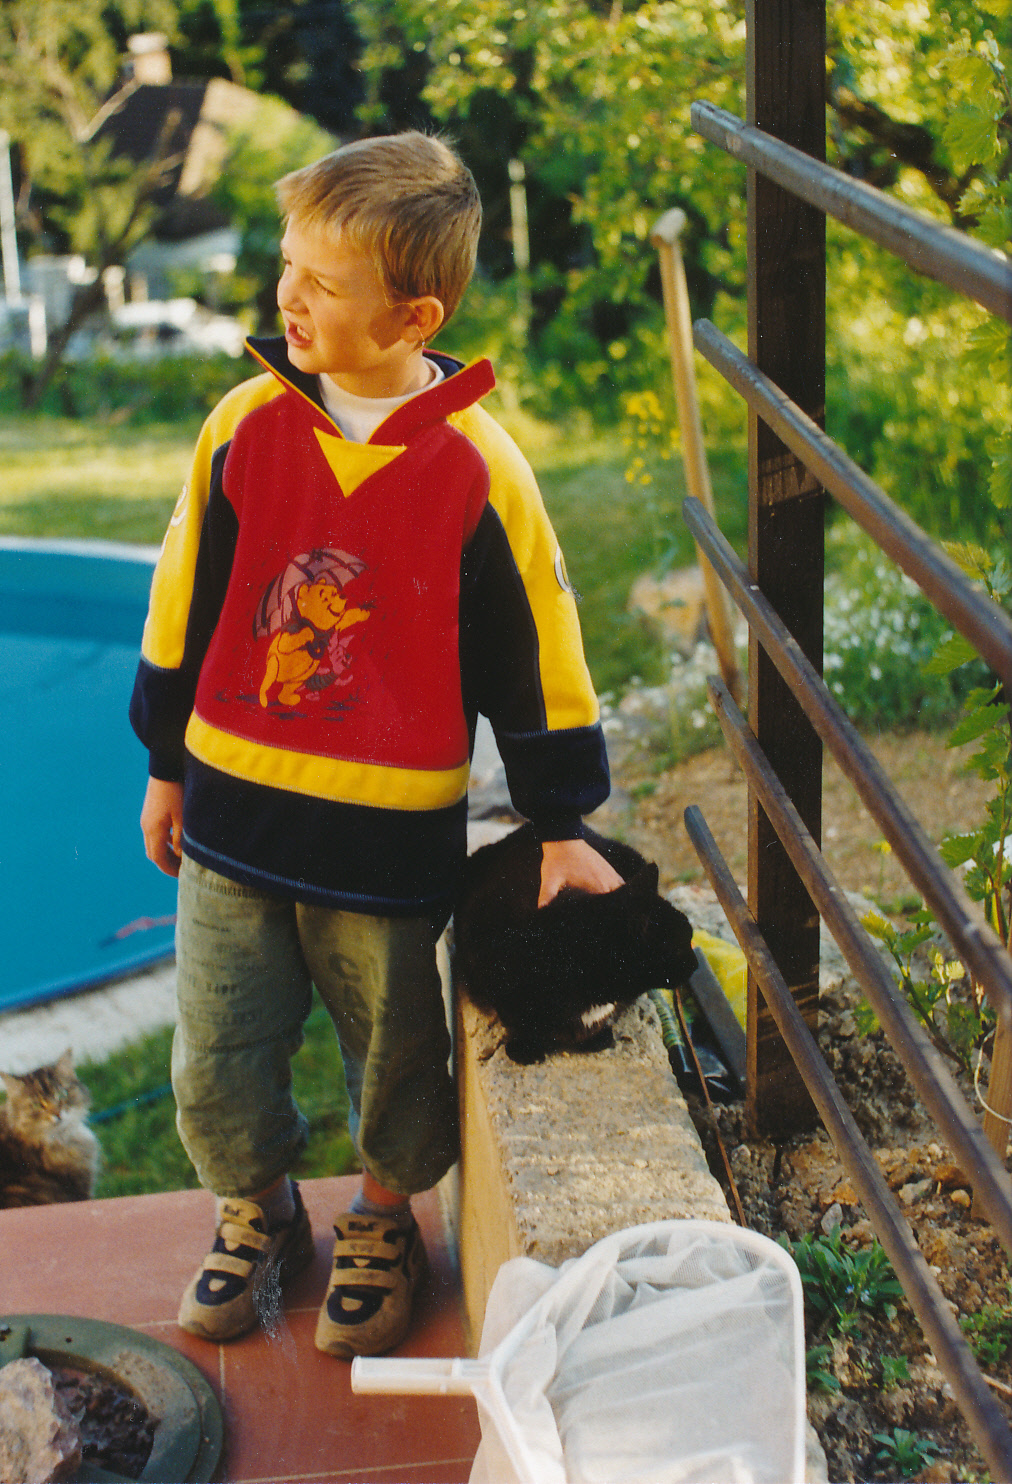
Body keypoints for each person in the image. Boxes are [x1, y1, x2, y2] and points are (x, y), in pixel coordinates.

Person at [130, 130, 622, 1359]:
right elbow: (183, 597)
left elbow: (537, 643)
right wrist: (164, 761)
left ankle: (384, 1220)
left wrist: (561, 821)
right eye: (287, 267)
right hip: (232, 820)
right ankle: (260, 1211)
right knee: (217, 1053)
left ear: (414, 316)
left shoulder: (480, 467)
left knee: (397, 1058)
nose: (288, 296)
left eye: (322, 282)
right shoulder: (243, 424)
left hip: (387, 848)